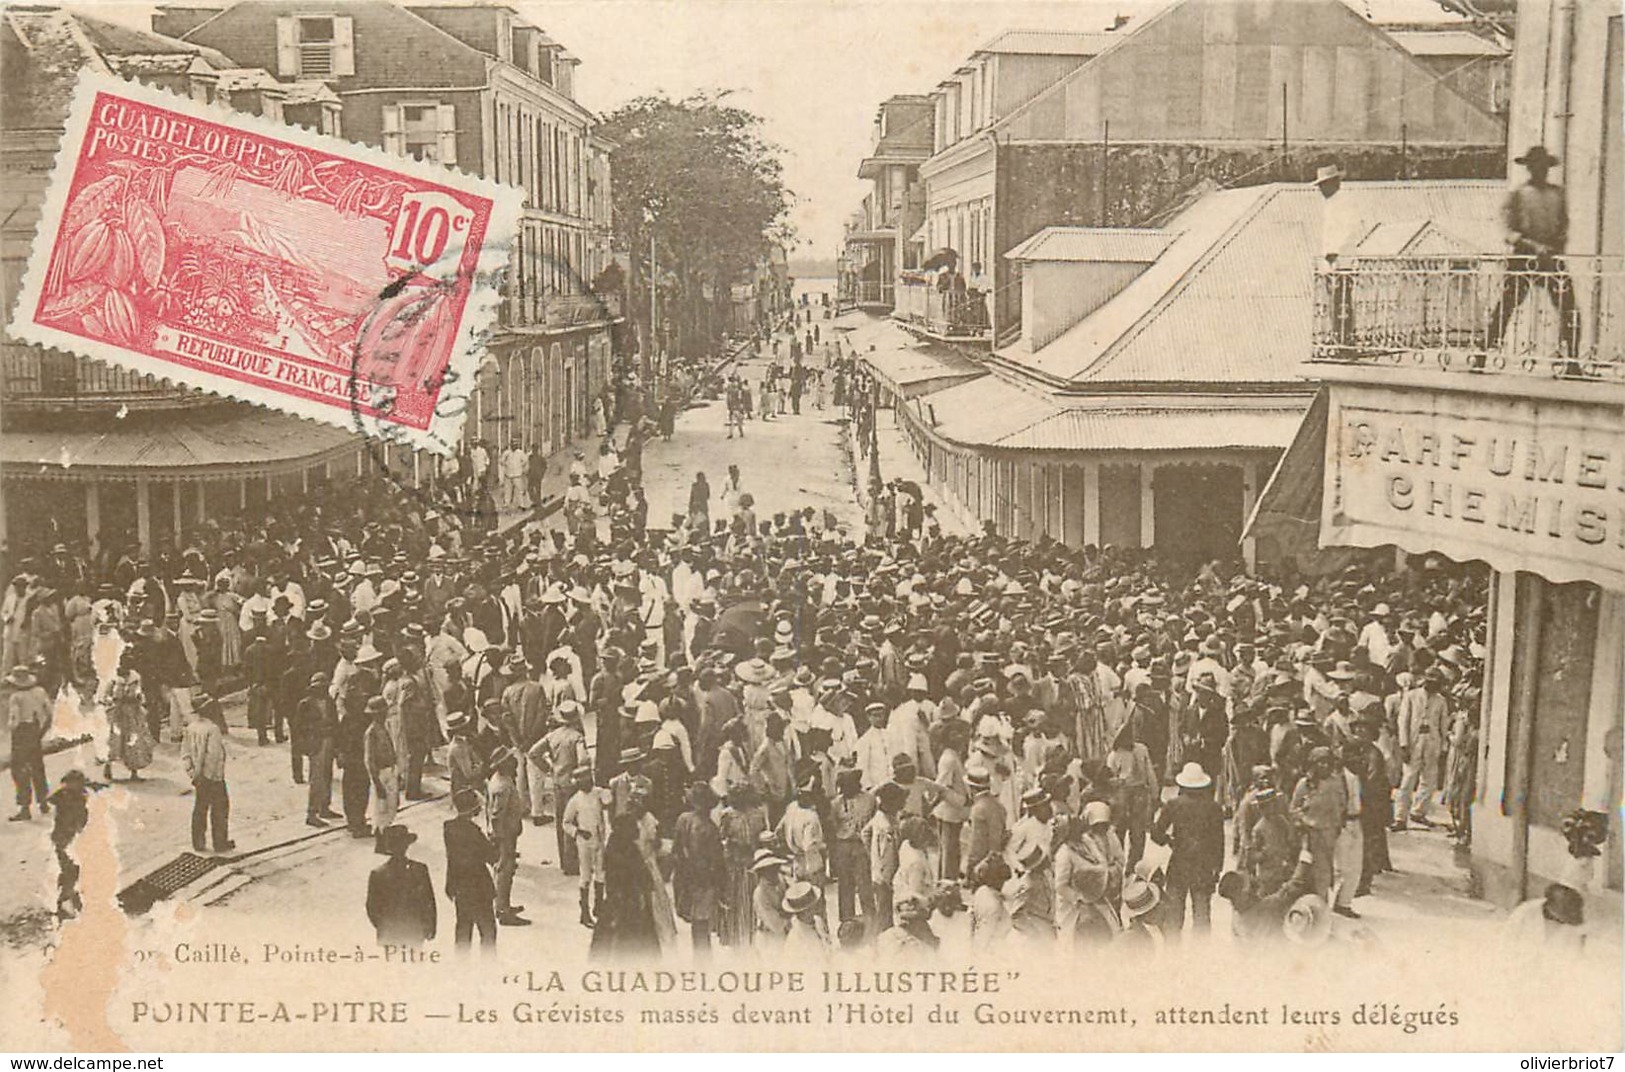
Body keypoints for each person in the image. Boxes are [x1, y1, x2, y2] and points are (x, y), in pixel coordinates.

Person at [1485, 146, 1580, 363]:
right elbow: (1508, 230)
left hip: (1551, 258)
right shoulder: (1518, 195)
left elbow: (1563, 224)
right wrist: (1533, 246)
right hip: (1524, 257)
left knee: (1569, 307)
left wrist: (1556, 245)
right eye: (1535, 166)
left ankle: (1573, 360)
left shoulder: (1557, 194)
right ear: (1529, 168)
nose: (1540, 171)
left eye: (1543, 167)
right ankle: (1483, 352)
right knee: (1507, 305)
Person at [1149, 762, 1223, 938]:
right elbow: (1219, 842)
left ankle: (1173, 956)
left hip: (1179, 864)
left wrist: (1170, 841)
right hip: (1204, 866)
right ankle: (1200, 956)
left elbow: (1156, 835)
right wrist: (1217, 868)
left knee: (1174, 916)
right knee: (1202, 915)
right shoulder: (1213, 807)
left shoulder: (1173, 805)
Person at [672, 782, 726, 956]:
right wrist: (721, 885)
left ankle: (700, 957)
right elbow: (717, 861)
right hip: (703, 880)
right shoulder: (709, 829)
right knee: (702, 923)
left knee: (696, 922)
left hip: (685, 876)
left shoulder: (683, 819)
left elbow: (676, 849)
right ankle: (703, 960)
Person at [443, 788, 498, 951]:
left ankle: (461, 968)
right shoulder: (474, 832)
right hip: (479, 886)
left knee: (463, 930)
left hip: (459, 886)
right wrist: (494, 842)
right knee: (487, 931)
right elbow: (492, 857)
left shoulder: (449, 828)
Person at [366, 825, 437, 947]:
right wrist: (430, 926)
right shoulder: (419, 869)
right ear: (407, 846)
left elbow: (372, 907)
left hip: (389, 933)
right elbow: (428, 901)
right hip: (414, 930)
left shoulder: (377, 873)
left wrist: (383, 926)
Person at [182, 697, 233, 853]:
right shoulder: (213, 729)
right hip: (212, 777)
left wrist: (192, 774)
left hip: (198, 777)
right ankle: (220, 843)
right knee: (220, 808)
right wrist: (211, 777)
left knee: (200, 808)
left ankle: (198, 843)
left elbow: (185, 753)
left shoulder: (191, 727)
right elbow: (213, 755)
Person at [487, 747, 529, 926]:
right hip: (505, 835)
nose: (515, 762)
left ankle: (503, 905)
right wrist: (498, 838)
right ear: (503, 764)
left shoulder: (502, 779)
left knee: (505, 870)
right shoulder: (502, 786)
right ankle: (503, 911)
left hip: (507, 833)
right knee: (505, 871)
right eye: (511, 759)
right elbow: (497, 815)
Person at [561, 763, 606, 928]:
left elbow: (608, 801)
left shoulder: (598, 793)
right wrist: (578, 832)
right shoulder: (575, 801)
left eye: (590, 780)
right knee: (585, 875)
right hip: (584, 841)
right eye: (584, 781)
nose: (588, 783)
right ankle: (584, 912)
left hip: (600, 839)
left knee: (601, 873)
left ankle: (599, 906)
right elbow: (565, 823)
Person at [363, 695, 399, 851]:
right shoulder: (371, 732)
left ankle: (385, 839)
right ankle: (380, 842)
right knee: (380, 809)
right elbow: (369, 760)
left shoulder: (383, 728)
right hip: (380, 773)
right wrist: (377, 783)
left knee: (391, 806)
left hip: (389, 770)